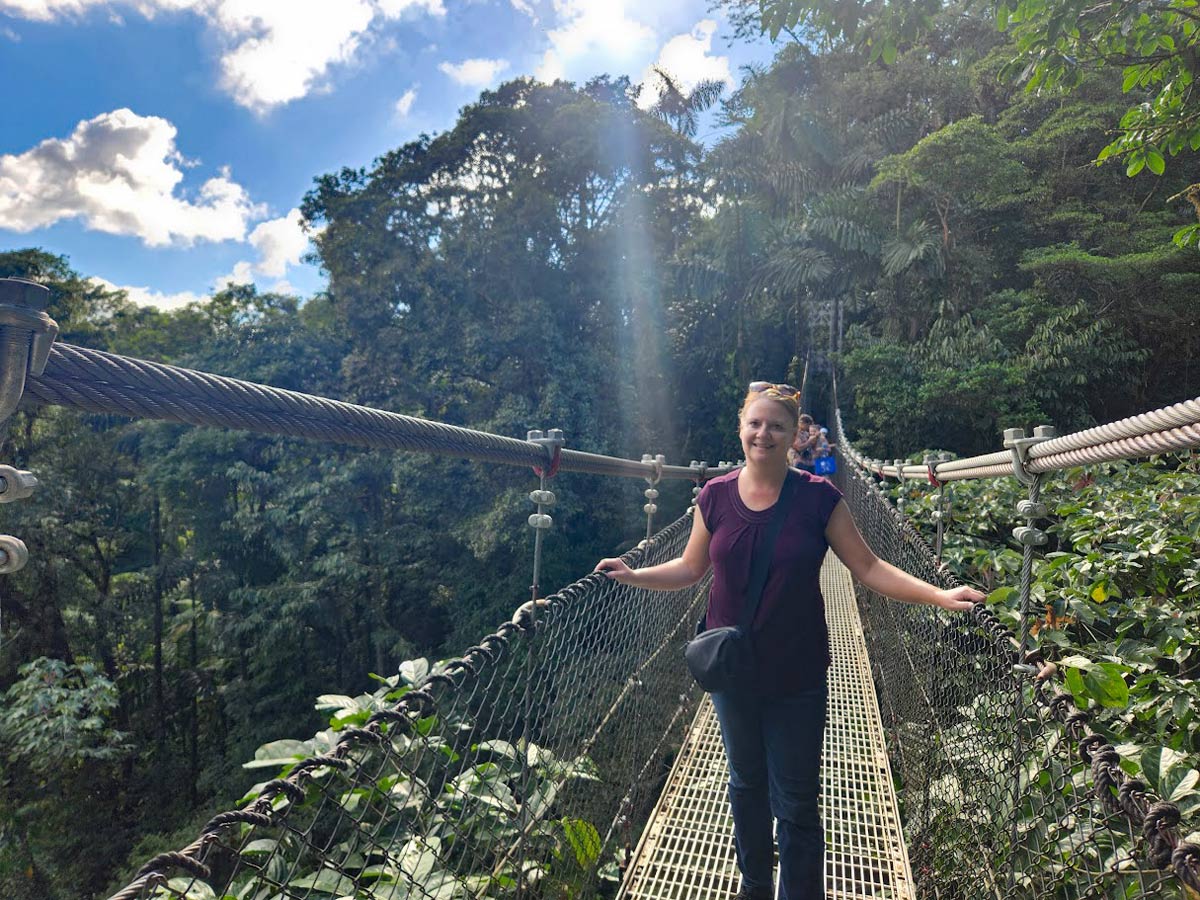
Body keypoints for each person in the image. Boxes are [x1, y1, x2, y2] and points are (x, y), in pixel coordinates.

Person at [594, 381, 982, 900]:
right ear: (741, 428)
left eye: (777, 425)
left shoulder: (819, 499)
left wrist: (937, 594)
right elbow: (690, 568)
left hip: (797, 674)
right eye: (755, 423)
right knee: (746, 786)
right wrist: (636, 573)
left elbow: (867, 566)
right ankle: (755, 889)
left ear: (796, 435)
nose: (764, 433)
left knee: (796, 802)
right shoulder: (714, 496)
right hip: (733, 674)